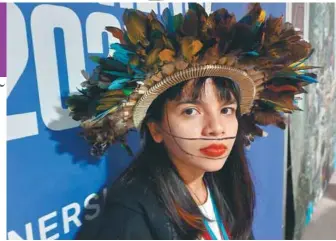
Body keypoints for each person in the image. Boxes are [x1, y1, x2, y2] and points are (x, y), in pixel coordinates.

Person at [67, 3, 318, 240]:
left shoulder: (221, 181)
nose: (216, 128)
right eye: (190, 111)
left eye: (227, 110)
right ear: (155, 129)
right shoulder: (130, 214)